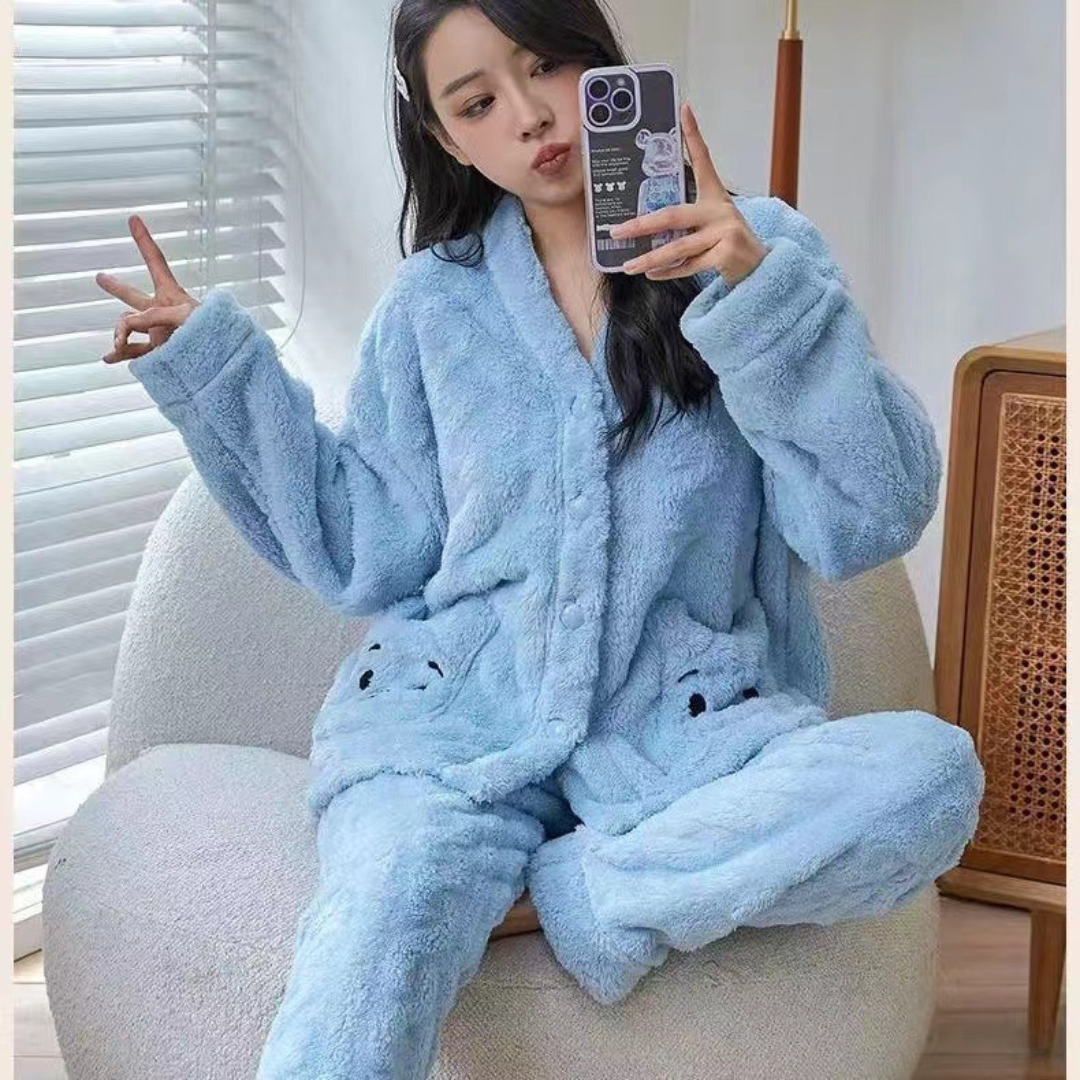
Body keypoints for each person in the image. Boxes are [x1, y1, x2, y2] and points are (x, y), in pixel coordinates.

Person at [95, 1, 986, 1076]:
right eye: (478, 103)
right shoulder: (432, 308)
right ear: (445, 138)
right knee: (383, 910)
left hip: (686, 735)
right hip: (453, 722)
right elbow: (367, 543)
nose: (529, 117)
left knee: (929, 778)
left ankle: (587, 891)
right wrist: (217, 374)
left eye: (547, 67)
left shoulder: (753, 256)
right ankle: (512, 883)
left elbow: (864, 519)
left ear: (601, 65)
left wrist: (757, 298)